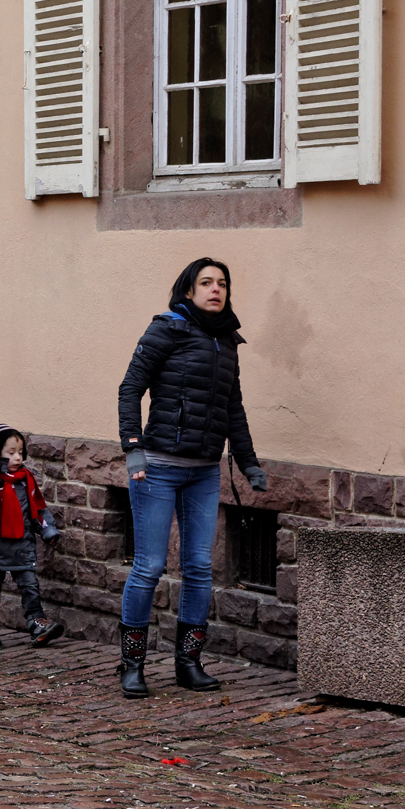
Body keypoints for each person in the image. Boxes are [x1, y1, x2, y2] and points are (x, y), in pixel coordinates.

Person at [116, 257, 266, 699]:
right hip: (157, 468)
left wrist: (248, 460)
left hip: (203, 471)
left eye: (222, 283)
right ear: (188, 291)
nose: (215, 290)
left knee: (199, 568)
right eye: (206, 283)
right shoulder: (167, 328)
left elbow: (231, 407)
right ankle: (132, 664)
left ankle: (188, 663)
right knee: (149, 566)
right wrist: (132, 448)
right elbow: (130, 387)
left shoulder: (227, 341)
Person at [0, 428, 64, 649]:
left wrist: (47, 530)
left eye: (20, 452)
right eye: (10, 452)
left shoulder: (25, 479)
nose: (17, 458)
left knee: (30, 584)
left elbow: (37, 507)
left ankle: (36, 623)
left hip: (22, 543)